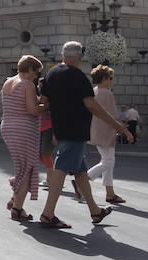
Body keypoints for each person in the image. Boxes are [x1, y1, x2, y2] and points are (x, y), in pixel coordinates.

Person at [35, 41, 132, 229]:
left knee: (80, 171)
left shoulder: (52, 73)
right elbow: (92, 105)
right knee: (60, 168)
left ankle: (95, 211)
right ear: (79, 57)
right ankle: (47, 214)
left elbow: (44, 102)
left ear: (63, 55)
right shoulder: (78, 76)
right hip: (75, 130)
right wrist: (117, 125)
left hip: (62, 128)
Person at [0, 54, 44, 222]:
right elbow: (32, 110)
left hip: (8, 126)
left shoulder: (8, 82)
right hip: (24, 128)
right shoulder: (27, 84)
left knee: (21, 166)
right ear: (29, 69)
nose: (36, 76)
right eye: (36, 72)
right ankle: (17, 209)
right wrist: (45, 106)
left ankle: (15, 199)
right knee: (28, 168)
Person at [86, 65, 126, 205]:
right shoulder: (106, 93)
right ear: (103, 78)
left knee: (109, 160)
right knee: (108, 161)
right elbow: (115, 115)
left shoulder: (94, 91)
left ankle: (110, 193)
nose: (111, 80)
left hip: (95, 130)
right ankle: (84, 180)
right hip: (106, 131)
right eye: (110, 78)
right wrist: (126, 131)